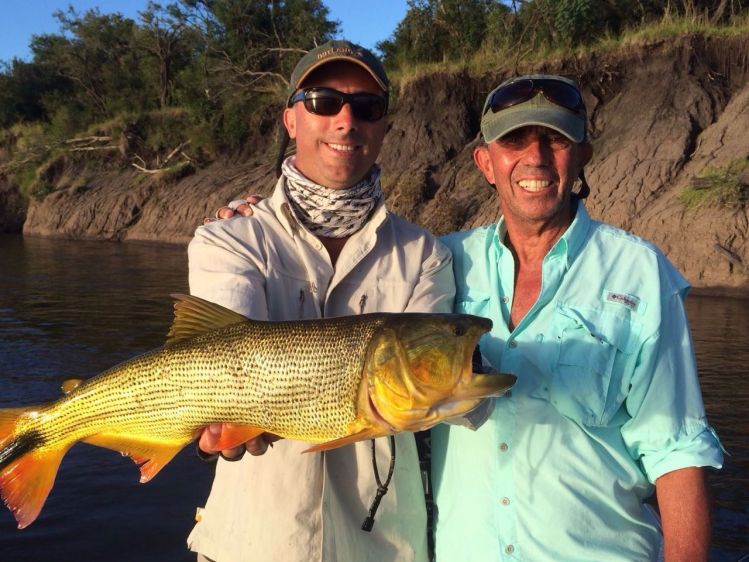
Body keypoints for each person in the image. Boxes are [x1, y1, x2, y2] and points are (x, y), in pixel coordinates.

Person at [430, 74, 724, 561]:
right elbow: (343, 324)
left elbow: (677, 451)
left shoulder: (639, 272)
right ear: (486, 162)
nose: (537, 157)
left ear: (583, 154)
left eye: (557, 139)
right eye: (514, 140)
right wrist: (259, 222)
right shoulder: (440, 264)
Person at [186, 40, 454, 562]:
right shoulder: (228, 238)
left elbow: (433, 391)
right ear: (291, 119)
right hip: (248, 546)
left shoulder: (427, 254)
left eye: (367, 106)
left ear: (383, 127)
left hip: (382, 550)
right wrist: (221, 423)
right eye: (323, 101)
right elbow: (225, 347)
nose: (346, 119)